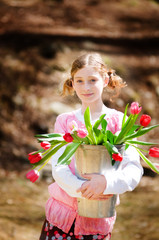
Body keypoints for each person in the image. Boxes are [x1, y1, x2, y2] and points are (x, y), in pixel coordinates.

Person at [39, 53, 143, 240]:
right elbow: (59, 167)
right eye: (79, 81)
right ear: (72, 83)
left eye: (92, 80)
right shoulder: (65, 121)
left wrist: (105, 183)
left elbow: (133, 169)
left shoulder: (120, 122)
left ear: (105, 80)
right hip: (59, 219)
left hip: (96, 223)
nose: (85, 87)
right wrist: (85, 188)